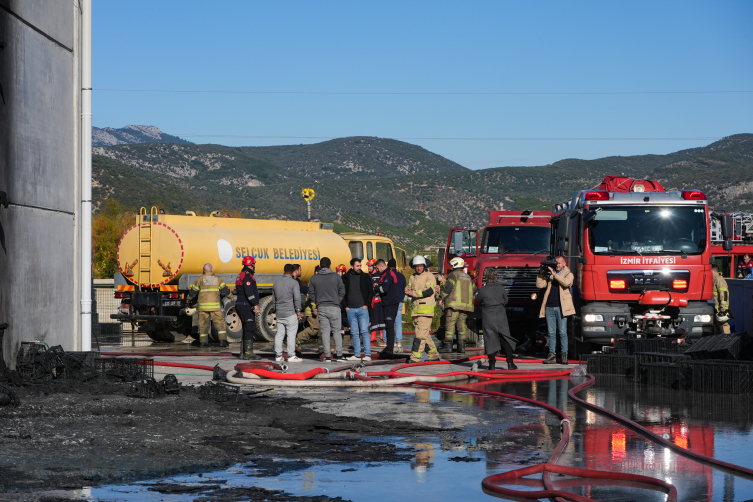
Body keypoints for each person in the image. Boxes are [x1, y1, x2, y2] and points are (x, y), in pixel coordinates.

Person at [536, 256, 575, 365]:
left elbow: (566, 283)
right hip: (549, 306)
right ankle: (551, 355)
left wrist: (555, 275)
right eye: (556, 263)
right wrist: (541, 274)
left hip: (561, 307)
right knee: (551, 333)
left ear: (564, 264)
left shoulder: (569, 274)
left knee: (562, 332)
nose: (557, 265)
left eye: (559, 263)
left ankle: (564, 355)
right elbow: (540, 285)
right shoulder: (550, 275)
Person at [475, 269, 517, 370]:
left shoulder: (483, 290)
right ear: (495, 278)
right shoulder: (501, 288)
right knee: (505, 337)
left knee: (490, 338)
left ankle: (492, 364)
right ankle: (510, 363)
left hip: (488, 316)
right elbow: (506, 301)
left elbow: (477, 300)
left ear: (487, 278)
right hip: (500, 315)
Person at [309, 257, 346, 362]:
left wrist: (316, 301)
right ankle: (339, 356)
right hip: (334, 306)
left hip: (321, 307)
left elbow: (311, 293)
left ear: (320, 266)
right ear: (330, 266)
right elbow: (342, 290)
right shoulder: (336, 277)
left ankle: (328, 356)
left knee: (325, 332)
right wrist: (338, 300)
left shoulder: (314, 278)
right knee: (336, 331)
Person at [404, 255, 440, 362]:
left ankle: (415, 358)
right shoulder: (412, 277)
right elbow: (410, 288)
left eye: (420, 266)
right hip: (416, 311)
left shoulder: (429, 276)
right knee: (424, 335)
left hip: (425, 311)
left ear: (424, 266)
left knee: (419, 336)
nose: (419, 268)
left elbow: (429, 291)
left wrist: (413, 293)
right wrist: (407, 289)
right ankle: (433, 355)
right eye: (417, 266)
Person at [187, 263, 231, 348]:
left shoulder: (199, 279)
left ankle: (203, 342)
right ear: (211, 270)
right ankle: (222, 341)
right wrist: (231, 297)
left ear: (204, 270)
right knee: (220, 324)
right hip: (215, 308)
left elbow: (193, 291)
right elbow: (225, 290)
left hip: (203, 308)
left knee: (203, 325)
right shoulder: (218, 279)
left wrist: (188, 299)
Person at [440, 257, 476, 354]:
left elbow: (448, 288)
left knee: (450, 324)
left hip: (453, 305)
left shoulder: (453, 275)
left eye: (452, 265)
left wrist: (441, 297)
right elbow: (475, 290)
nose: (451, 267)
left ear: (455, 265)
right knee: (462, 326)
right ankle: (462, 347)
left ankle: (448, 346)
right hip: (465, 307)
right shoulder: (467, 277)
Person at [343, 258, 374, 361]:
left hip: (362, 308)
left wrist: (366, 305)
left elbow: (370, 291)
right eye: (357, 266)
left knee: (365, 332)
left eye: (360, 265)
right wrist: (346, 307)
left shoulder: (365, 277)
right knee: (354, 333)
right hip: (351, 309)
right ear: (352, 266)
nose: (359, 267)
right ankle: (356, 354)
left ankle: (367, 355)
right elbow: (341, 293)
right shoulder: (345, 277)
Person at [272, 264, 302, 362]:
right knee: (291, 334)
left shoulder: (276, 283)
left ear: (284, 271)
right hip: (290, 313)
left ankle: (278, 355)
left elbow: (273, 299)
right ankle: (291, 355)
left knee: (279, 334)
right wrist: (298, 311)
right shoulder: (293, 283)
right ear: (293, 272)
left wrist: (276, 310)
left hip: (280, 313)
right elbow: (297, 298)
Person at [235, 256, 261, 360]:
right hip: (246, 305)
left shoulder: (241, 274)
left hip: (241, 304)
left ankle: (243, 353)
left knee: (246, 328)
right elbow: (249, 291)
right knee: (249, 327)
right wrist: (255, 304)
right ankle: (248, 352)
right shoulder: (247, 276)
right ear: (251, 265)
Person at [296, 265, 324, 355]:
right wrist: (315, 308)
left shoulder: (319, 281)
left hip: (318, 309)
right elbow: (312, 296)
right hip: (312, 311)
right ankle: (297, 340)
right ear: (317, 272)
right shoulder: (314, 281)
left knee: (321, 329)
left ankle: (322, 348)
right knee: (314, 329)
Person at [375, 259, 401, 354]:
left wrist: (376, 288)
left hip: (390, 303)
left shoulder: (388, 274)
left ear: (382, 266)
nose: (377, 270)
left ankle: (390, 348)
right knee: (388, 326)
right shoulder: (384, 275)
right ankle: (389, 347)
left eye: (378, 268)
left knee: (389, 326)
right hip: (387, 303)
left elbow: (385, 288)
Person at [389, 258, 406, 352]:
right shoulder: (402, 276)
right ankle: (399, 342)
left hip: (390, 302)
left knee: (389, 321)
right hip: (399, 301)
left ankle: (388, 341)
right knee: (398, 322)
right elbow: (404, 287)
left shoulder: (388, 275)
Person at [367, 259, 385, 344]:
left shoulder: (379, 275)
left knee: (381, 318)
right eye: (368, 266)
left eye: (370, 266)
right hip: (372, 300)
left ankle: (382, 336)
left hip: (380, 300)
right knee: (373, 318)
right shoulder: (368, 276)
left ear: (375, 266)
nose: (369, 267)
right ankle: (373, 336)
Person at [712, 264, 731, 334]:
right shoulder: (714, 280)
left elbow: (723, 294)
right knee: (716, 326)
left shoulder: (719, 280)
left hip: (720, 308)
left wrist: (723, 307)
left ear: (714, 271)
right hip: (716, 308)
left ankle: (727, 340)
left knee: (724, 325)